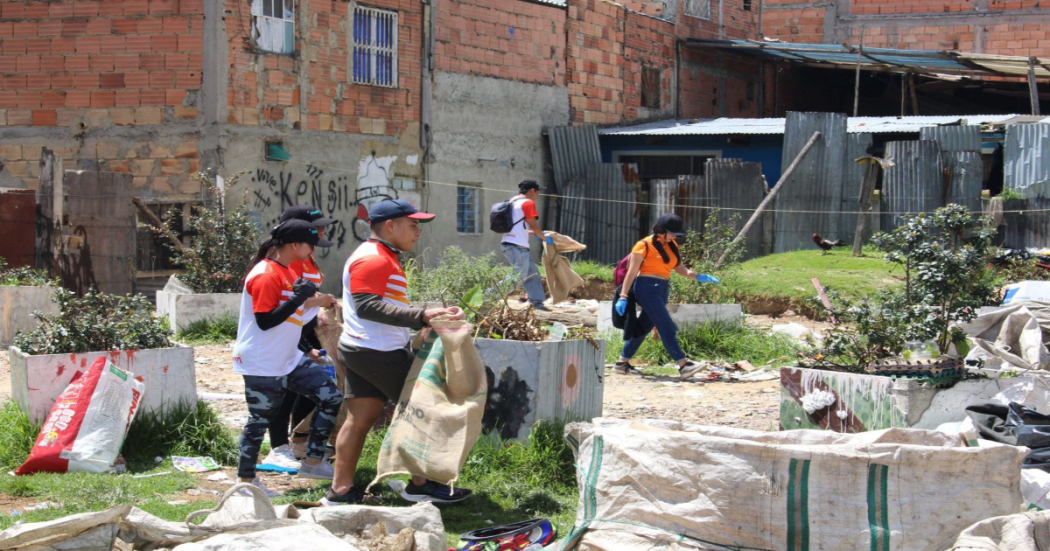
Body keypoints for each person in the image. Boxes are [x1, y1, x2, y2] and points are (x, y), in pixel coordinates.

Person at [324, 198, 470, 506]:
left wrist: (422, 316)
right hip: (377, 352)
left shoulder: (382, 255)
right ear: (390, 226)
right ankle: (421, 484)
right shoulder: (373, 258)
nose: (418, 232)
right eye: (413, 225)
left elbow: (379, 303)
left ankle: (340, 490)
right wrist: (421, 316)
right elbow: (367, 306)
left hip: (364, 348)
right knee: (424, 411)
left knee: (360, 418)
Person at [232, 219, 343, 496]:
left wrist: (314, 307)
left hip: (289, 357)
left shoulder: (284, 272)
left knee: (331, 396)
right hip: (263, 361)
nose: (313, 250)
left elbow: (291, 318)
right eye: (310, 244)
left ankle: (314, 462)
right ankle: (245, 483)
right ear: (294, 245)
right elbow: (265, 322)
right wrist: (297, 299)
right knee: (259, 420)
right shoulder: (265, 274)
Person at [262, 205, 340, 469]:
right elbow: (286, 302)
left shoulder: (307, 256)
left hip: (305, 329)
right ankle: (277, 447)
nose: (322, 231)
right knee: (282, 392)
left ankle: (299, 439)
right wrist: (318, 301)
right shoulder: (285, 261)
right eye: (316, 227)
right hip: (288, 332)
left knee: (311, 387)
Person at [614, 213, 714, 379]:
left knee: (645, 326)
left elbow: (680, 269)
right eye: (672, 232)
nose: (675, 236)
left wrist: (697, 276)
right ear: (661, 231)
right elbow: (631, 273)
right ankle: (683, 365)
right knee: (666, 325)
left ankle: (621, 363)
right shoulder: (643, 245)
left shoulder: (672, 244)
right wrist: (623, 296)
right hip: (646, 288)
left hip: (662, 289)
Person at [500, 180, 553, 311]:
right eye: (538, 191)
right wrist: (544, 237)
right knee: (518, 277)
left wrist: (535, 234)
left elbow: (520, 228)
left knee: (532, 274)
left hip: (512, 244)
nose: (538, 195)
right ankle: (488, 296)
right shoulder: (528, 203)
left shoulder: (513, 202)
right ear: (531, 191)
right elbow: (533, 225)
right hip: (517, 246)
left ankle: (537, 303)